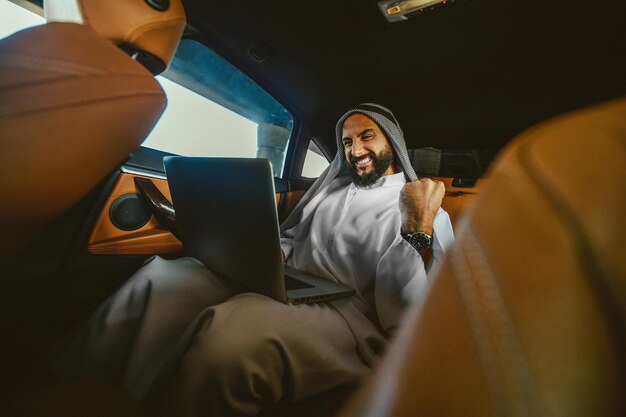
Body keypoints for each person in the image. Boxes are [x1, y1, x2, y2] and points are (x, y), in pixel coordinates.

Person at [50, 103, 454, 417]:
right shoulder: (330, 193)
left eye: (367, 137)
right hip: (290, 283)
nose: (356, 150)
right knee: (166, 278)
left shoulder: (423, 206)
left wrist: (415, 226)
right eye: (347, 142)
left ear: (393, 142)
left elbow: (411, 314)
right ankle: (65, 389)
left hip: (354, 317)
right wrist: (237, 244)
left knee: (235, 331)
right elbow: (291, 243)